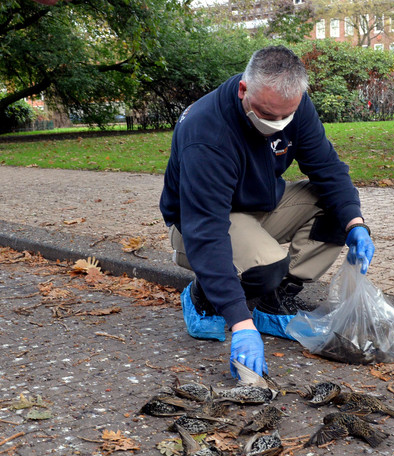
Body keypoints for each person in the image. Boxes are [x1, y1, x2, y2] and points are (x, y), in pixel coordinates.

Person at [159, 45, 374, 379]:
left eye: (285, 116)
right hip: (197, 223)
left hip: (259, 207)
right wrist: (240, 323)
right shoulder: (206, 133)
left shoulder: (294, 106)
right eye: (268, 115)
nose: (278, 125)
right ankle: (203, 297)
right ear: (244, 90)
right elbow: (207, 231)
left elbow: (329, 170)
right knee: (266, 267)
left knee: (337, 209)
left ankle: (274, 303)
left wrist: (356, 224)